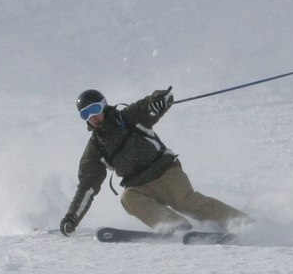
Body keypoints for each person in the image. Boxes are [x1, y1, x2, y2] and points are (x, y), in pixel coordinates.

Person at [59, 87, 248, 237]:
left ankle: (241, 223)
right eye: (85, 114)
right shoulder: (96, 147)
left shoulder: (128, 117)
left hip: (166, 173)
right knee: (128, 199)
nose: (92, 117)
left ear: (103, 105)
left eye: (94, 110)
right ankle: (175, 225)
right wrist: (72, 218)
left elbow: (156, 101)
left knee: (186, 203)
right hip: (138, 185)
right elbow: (87, 187)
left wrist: (160, 100)